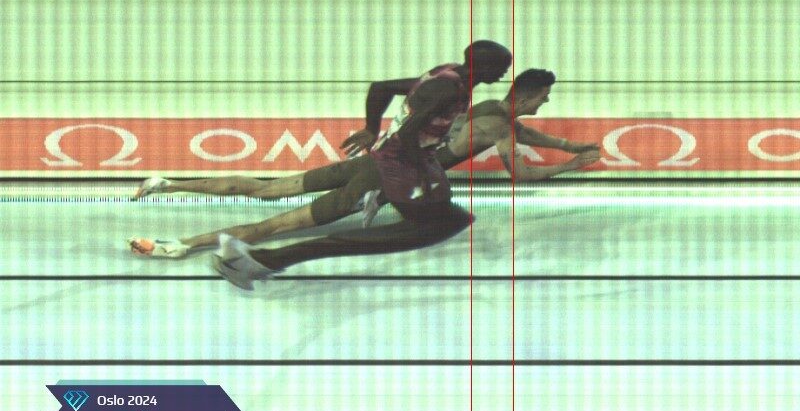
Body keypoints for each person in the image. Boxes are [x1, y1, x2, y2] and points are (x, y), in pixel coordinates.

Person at [128, 68, 599, 258]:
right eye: (544, 97)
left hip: (375, 161)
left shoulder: (490, 109)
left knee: (266, 187)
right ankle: (181, 246)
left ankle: (168, 183)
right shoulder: (497, 125)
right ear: (528, 95)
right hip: (386, 179)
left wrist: (568, 144)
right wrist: (568, 167)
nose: (545, 103)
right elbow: (521, 171)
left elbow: (523, 132)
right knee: (278, 225)